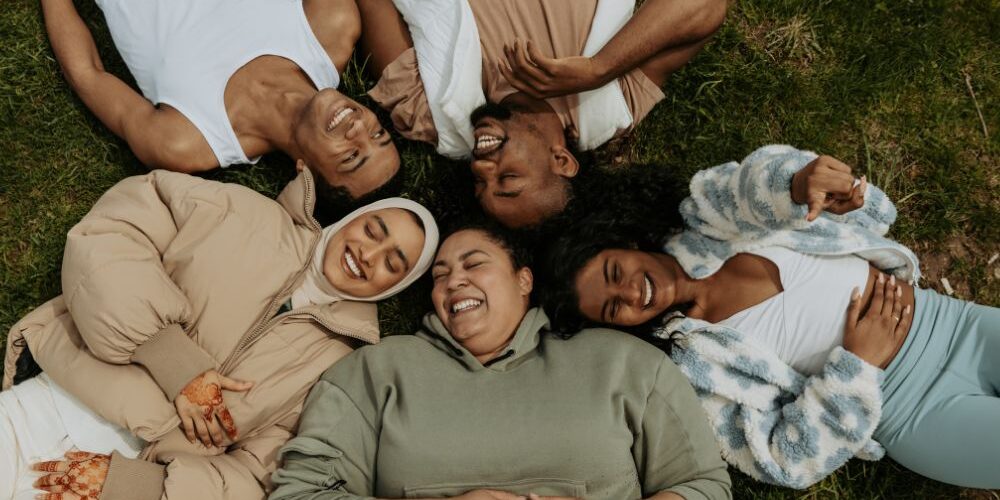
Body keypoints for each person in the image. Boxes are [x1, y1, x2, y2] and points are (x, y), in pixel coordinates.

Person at [538, 145, 1000, 490]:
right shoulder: (692, 373)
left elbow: (754, 184)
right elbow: (785, 460)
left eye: (614, 272)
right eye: (613, 307)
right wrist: (859, 365)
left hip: (957, 324)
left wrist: (798, 184)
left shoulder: (708, 220)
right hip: (913, 411)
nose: (630, 292)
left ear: (624, 243)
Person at [0, 164, 439, 500]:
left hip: (125, 482)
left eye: (393, 262)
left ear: (395, 285)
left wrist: (140, 486)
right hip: (53, 403)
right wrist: (173, 360)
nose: (368, 253)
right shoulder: (241, 213)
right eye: (373, 230)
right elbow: (112, 233)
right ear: (354, 219)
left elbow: (265, 473)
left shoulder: (346, 364)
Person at [269, 224, 732, 500]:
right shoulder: (375, 372)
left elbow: (703, 484)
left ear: (523, 279)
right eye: (441, 275)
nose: (454, 282)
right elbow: (299, 493)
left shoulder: (623, 362)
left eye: (475, 265)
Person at [356, 0, 727, 228]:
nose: (481, 167)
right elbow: (706, 6)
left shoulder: (429, 114)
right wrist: (599, 68)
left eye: (480, 184)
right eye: (508, 177)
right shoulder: (611, 101)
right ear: (561, 160)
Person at [41, 0, 401, 200]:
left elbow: (89, 75)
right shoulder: (331, 25)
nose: (359, 128)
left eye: (352, 155)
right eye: (378, 134)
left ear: (305, 170)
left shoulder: (188, 140)